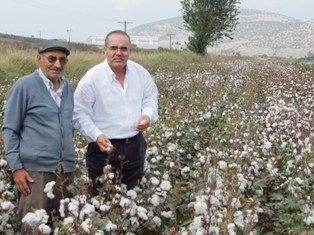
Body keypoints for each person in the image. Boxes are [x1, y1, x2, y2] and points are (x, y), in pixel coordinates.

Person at [2, 39, 75, 233]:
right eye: (52, 58)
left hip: (64, 172)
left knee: (62, 226)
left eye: (62, 60)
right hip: (35, 174)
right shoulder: (24, 86)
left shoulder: (68, 89)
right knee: (34, 227)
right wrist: (16, 167)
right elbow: (10, 129)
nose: (57, 64)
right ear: (39, 59)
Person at [73, 30, 158, 196]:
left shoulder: (140, 73)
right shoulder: (92, 78)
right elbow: (79, 113)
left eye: (124, 48)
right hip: (103, 149)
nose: (119, 53)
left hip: (135, 145)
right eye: (113, 48)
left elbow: (150, 98)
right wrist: (96, 135)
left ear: (130, 51)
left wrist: (148, 115)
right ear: (105, 50)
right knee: (102, 199)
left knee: (132, 196)